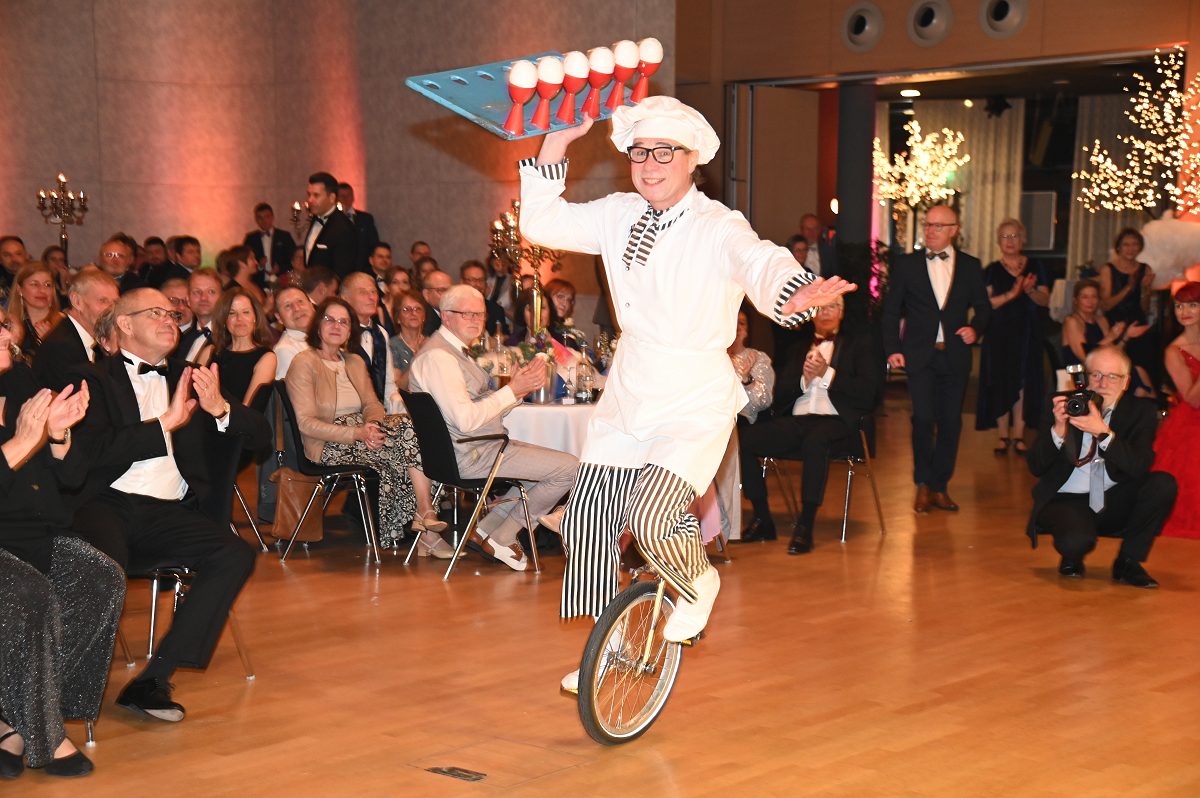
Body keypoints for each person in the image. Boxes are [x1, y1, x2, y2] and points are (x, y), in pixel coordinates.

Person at [518, 97, 852, 691]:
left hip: (693, 395)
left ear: (692, 158)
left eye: (664, 153)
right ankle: (612, 650)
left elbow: (760, 261)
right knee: (588, 524)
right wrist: (557, 143)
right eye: (639, 153)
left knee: (652, 519)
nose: (649, 165)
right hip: (630, 388)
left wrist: (794, 290)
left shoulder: (717, 224)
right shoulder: (618, 212)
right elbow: (540, 224)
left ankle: (699, 581)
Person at [68, 287, 270, 722]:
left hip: (169, 512)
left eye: (171, 314)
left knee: (234, 554)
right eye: (156, 313)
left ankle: (154, 679)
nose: (169, 319)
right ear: (124, 324)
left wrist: (221, 409)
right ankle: (68, 689)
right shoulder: (92, 379)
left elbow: (261, 435)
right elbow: (89, 454)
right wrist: (163, 425)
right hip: (104, 504)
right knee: (104, 564)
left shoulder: (193, 376)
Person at [0, 312, 120, 779]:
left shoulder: (21, 381)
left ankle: (15, 719)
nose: (7, 334)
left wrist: (57, 436)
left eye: (5, 324)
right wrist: (22, 441)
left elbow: (70, 478)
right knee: (30, 594)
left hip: (37, 532)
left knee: (100, 578)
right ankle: (45, 733)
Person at [409, 285, 577, 570]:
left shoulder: (451, 352)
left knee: (549, 467)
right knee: (570, 468)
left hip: (475, 447)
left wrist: (518, 391)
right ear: (446, 316)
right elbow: (466, 420)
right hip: (470, 453)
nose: (476, 320)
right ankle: (504, 535)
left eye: (480, 314)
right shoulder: (439, 358)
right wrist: (511, 391)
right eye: (467, 314)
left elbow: (472, 409)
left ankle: (485, 529)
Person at [285, 297, 447, 550]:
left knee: (410, 432)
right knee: (404, 447)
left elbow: (373, 404)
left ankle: (425, 519)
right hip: (327, 444)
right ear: (317, 325)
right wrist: (357, 433)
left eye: (344, 322)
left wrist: (372, 426)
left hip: (364, 433)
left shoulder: (354, 362)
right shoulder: (304, 362)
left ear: (351, 330)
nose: (336, 326)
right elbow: (306, 424)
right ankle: (425, 521)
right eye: (329, 319)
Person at [738, 297, 881, 553]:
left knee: (817, 440)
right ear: (812, 314)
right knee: (745, 440)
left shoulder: (859, 346)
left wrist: (827, 373)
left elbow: (868, 395)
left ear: (841, 313)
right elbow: (779, 396)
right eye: (820, 308)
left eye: (832, 307)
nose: (826, 312)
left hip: (839, 423)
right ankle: (762, 518)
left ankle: (805, 524)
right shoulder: (797, 348)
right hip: (799, 421)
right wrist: (803, 380)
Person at [1025, 345, 1175, 587]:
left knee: (1163, 484)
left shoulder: (1141, 411)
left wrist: (1103, 434)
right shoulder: (1063, 404)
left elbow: (1139, 466)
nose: (1103, 383)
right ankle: (1072, 553)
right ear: (1085, 377)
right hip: (1067, 498)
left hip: (1112, 496)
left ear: (1125, 382)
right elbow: (1036, 466)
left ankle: (1128, 561)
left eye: (1112, 376)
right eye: (1096, 375)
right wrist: (1058, 430)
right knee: (1075, 542)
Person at [882, 204, 990, 514]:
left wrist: (976, 329)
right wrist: (892, 349)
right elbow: (891, 311)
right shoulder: (907, 265)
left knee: (951, 422)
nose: (930, 230)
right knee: (923, 418)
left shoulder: (970, 266)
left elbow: (983, 308)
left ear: (954, 230)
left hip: (954, 356)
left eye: (937, 226)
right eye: (927, 225)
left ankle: (940, 486)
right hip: (919, 355)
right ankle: (922, 483)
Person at [975, 218, 1051, 454]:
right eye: (1005, 236)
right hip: (998, 334)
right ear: (998, 241)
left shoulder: (1035, 266)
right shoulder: (991, 270)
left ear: (1023, 239)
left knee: (1023, 382)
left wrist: (1029, 290)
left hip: (1027, 333)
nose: (1010, 241)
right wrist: (1012, 293)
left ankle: (1018, 434)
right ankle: (1002, 435)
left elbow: (1045, 300)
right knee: (1000, 380)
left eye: (1014, 236)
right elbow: (986, 305)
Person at [1153, 281, 1200, 538]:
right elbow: (1192, 399)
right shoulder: (1174, 351)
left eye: (1192, 305)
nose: (1184, 312)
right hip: (1190, 424)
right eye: (1179, 306)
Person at [33, 268, 119, 391]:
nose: (111, 309)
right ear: (77, 301)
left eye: (115, 302)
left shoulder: (96, 342)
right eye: (102, 301)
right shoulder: (60, 348)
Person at [196, 288, 276, 411]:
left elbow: (248, 411)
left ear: (255, 317)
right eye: (232, 313)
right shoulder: (210, 352)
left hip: (238, 421)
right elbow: (193, 396)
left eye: (246, 312)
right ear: (224, 320)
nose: (239, 318)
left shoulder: (266, 357)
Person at [1099, 227, 1156, 397]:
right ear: (1118, 247)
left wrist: (1145, 289)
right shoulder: (1108, 269)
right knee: (1117, 368)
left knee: (1141, 367)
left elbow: (1145, 307)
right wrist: (1128, 288)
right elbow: (1106, 305)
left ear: (1140, 247)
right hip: (1115, 325)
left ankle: (1144, 404)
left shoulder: (1145, 268)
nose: (1130, 249)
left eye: (1134, 244)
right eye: (1126, 245)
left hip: (1137, 322)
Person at [303, 172, 357, 278]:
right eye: (309, 194)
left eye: (316, 195)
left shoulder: (344, 228)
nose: (310, 200)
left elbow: (342, 272)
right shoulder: (315, 218)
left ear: (332, 197)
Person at [1061, 279, 1126, 367]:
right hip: (1076, 370)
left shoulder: (1101, 320)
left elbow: (1111, 351)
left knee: (1136, 370)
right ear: (1075, 300)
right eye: (1085, 297)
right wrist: (1110, 337)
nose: (1090, 301)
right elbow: (1085, 357)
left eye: (1094, 297)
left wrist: (1126, 337)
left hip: (1100, 367)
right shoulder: (1071, 321)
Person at [6, 262, 63, 358]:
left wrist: (50, 343)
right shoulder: (7, 325)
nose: (42, 290)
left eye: (48, 285)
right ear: (19, 289)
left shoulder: (64, 324)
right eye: (34, 284)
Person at [242, 202, 297, 286]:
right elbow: (245, 262)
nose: (264, 221)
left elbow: (294, 259)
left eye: (267, 217)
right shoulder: (250, 239)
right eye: (260, 218)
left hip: (282, 281)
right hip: (258, 283)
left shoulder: (284, 236)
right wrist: (259, 266)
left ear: (272, 217)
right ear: (256, 219)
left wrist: (280, 268)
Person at [177, 268, 223, 361]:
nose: (203, 298)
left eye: (211, 292)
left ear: (222, 298)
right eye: (197, 292)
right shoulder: (181, 339)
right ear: (188, 300)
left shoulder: (230, 338)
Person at [336, 182, 380, 275]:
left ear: (353, 198)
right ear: (336, 198)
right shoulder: (332, 220)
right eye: (342, 196)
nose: (345, 199)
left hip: (362, 270)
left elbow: (373, 244)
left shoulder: (365, 219)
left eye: (348, 196)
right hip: (338, 270)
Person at [388, 290, 426, 392]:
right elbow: (398, 387)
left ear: (424, 316)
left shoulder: (431, 343)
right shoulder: (392, 346)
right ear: (397, 318)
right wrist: (418, 357)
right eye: (406, 309)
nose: (413, 313)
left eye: (418, 309)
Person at [273, 286, 314, 379]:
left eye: (300, 301)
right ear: (279, 318)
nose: (296, 308)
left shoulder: (327, 337)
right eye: (287, 306)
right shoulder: (285, 350)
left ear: (311, 306)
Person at [461, 260, 509, 337]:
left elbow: (505, 335)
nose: (477, 284)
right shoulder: (454, 308)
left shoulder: (496, 310)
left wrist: (503, 338)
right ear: (462, 282)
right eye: (473, 280)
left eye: (481, 280)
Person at [420, 269, 451, 335]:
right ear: (426, 294)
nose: (448, 295)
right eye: (442, 290)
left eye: (450, 290)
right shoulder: (424, 321)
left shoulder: (453, 314)